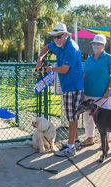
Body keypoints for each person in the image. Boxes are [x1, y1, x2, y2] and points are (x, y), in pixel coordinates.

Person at [36, 23, 84, 157]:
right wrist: (40, 58)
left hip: (73, 87)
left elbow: (64, 69)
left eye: (59, 36)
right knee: (72, 116)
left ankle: (70, 147)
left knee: (72, 117)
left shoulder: (70, 48)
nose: (56, 39)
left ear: (65, 35)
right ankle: (74, 142)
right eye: (54, 37)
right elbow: (46, 47)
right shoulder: (59, 45)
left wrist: (51, 69)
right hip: (68, 86)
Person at [81, 34, 111, 146]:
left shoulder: (109, 58)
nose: (96, 45)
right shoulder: (89, 59)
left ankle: (105, 142)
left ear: (103, 45)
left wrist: (108, 90)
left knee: (105, 119)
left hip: (104, 96)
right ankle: (90, 138)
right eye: (94, 43)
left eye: (99, 44)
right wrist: (82, 92)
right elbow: (84, 75)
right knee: (87, 117)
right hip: (89, 95)